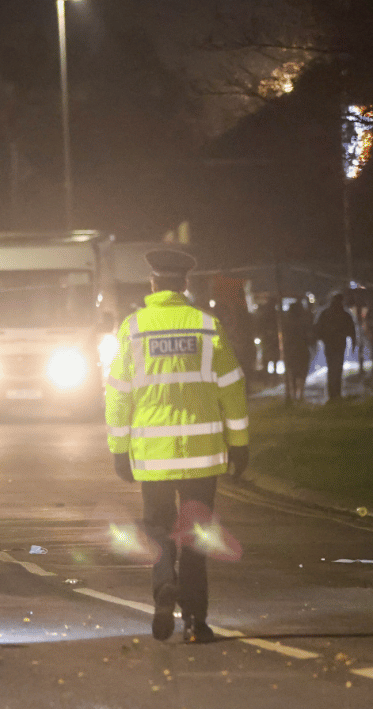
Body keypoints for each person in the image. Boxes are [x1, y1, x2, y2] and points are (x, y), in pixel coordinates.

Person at [105, 249, 249, 644]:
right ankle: (196, 624)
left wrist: (119, 448)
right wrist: (239, 443)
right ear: (184, 284)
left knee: (158, 527)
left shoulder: (133, 329)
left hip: (153, 455)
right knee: (196, 534)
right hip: (202, 455)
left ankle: (165, 583)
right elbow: (232, 388)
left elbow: (118, 394)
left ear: (152, 283)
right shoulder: (207, 327)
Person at [315, 293, 355, 403]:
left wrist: (321, 339)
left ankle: (332, 394)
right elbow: (352, 330)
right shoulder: (344, 314)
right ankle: (336, 393)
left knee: (331, 368)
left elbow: (318, 328)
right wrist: (353, 343)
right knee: (337, 368)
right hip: (339, 344)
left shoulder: (326, 313)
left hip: (329, 344)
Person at [281, 300, 314, 403]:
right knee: (301, 372)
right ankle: (300, 394)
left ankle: (294, 394)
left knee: (293, 373)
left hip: (291, 351)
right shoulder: (303, 323)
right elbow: (309, 337)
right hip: (301, 350)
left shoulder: (287, 323)